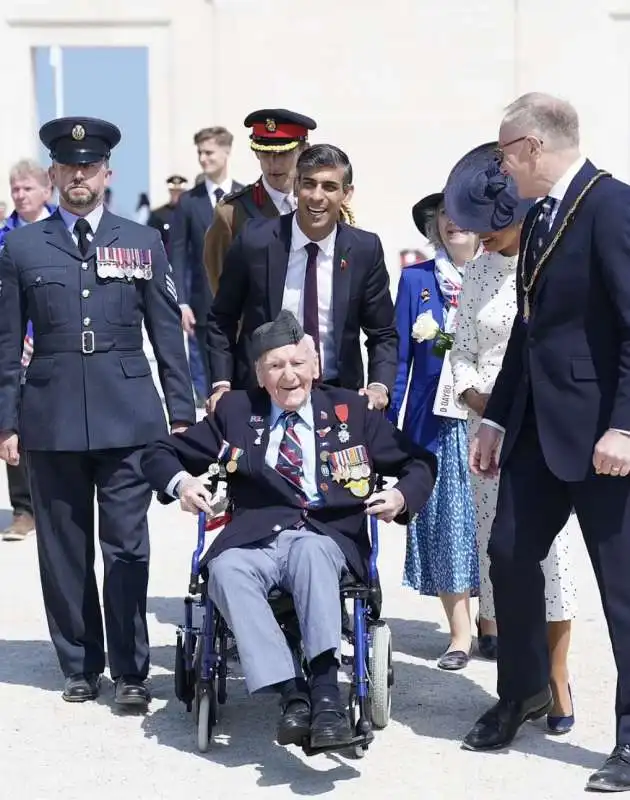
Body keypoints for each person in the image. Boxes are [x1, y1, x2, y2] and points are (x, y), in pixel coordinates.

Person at [141, 310, 437, 748]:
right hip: (252, 538)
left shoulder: (351, 411)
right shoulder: (238, 411)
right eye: (275, 366)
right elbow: (160, 452)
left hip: (327, 537)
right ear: (260, 375)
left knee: (310, 553)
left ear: (315, 367)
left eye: (297, 363)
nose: (289, 375)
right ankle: (293, 694)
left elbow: (418, 462)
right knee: (224, 570)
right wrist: (182, 483)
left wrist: (400, 497)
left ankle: (326, 696)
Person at [461, 92, 630, 793]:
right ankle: (523, 692)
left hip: (604, 441)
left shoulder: (613, 206)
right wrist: (498, 417)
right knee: (507, 554)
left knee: (623, 592)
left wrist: (625, 424)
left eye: (503, 153)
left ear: (531, 146)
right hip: (537, 433)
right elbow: (531, 332)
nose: (500, 167)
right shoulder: (538, 221)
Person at [0, 116, 196, 708]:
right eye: (68, 167)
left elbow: (167, 334)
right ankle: (80, 663)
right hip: (51, 414)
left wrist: (181, 416)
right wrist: (6, 421)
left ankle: (133, 669)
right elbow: (7, 342)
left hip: (128, 413)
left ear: (107, 173)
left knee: (127, 546)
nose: (78, 176)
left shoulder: (141, 241)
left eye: (89, 167)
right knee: (62, 547)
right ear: (54, 173)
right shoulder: (22, 246)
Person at [446, 141, 577, 729]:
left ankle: (558, 678)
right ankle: (518, 688)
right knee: (502, 562)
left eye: (491, 225)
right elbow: (462, 354)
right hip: (491, 442)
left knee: (554, 565)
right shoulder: (477, 274)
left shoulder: (553, 262)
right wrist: (486, 407)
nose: (479, 234)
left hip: (551, 434)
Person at [207, 144, 397, 413]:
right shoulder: (255, 240)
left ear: (346, 193)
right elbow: (221, 318)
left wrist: (379, 386)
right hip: (260, 397)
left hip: (337, 397)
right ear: (296, 187)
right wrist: (221, 385)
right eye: (309, 184)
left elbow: (383, 333)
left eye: (329, 187)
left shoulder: (365, 249)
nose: (317, 197)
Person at [387, 191, 479, 670]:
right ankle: (460, 634)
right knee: (446, 525)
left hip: (490, 422)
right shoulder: (416, 280)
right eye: (443, 215)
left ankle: (496, 622)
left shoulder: (502, 274)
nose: (451, 222)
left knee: (491, 525)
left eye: (460, 214)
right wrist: (387, 433)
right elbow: (400, 361)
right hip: (434, 424)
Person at [0, 158, 57, 542]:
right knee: (12, 419)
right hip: (14, 343)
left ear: (46, 190)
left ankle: (54, 502)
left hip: (56, 341)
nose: (20, 195)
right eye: (15, 189)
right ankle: (23, 508)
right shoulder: (4, 236)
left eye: (27, 188)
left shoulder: (63, 230)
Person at [203, 108, 319, 295]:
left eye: (282, 154)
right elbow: (221, 289)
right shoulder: (231, 213)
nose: (273, 164)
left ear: (303, 150)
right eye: (265, 154)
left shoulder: (320, 205)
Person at [171, 127, 243, 394]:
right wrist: (181, 301)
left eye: (209, 152)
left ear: (226, 152)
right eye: (200, 152)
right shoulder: (189, 201)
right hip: (203, 307)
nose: (203, 158)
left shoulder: (244, 196)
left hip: (243, 305)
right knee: (212, 381)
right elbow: (177, 254)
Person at [146, 175, 188, 257]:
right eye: (173, 191)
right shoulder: (158, 214)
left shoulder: (189, 214)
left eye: (179, 191)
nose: (176, 195)